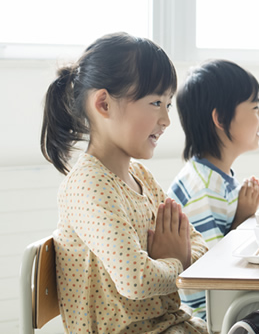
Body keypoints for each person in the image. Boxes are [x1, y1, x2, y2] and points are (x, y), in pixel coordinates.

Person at [41, 33, 208, 334]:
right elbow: (135, 279)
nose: (166, 119)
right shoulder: (88, 185)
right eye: (156, 102)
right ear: (104, 104)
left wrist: (172, 260)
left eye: (168, 104)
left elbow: (200, 246)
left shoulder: (140, 176)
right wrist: (176, 261)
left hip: (171, 326)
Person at [168, 59, 259, 318]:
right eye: (255, 108)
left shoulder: (214, 178)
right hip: (210, 315)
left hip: (224, 305)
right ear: (221, 118)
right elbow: (211, 275)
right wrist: (241, 219)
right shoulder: (203, 190)